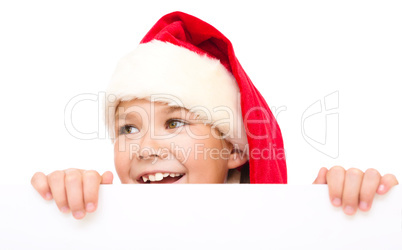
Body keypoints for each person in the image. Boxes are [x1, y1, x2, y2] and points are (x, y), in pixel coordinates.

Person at [31, 11, 398, 220]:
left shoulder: (283, 228)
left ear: (236, 149)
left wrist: (337, 220)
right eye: (128, 127)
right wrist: (62, 213)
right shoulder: (98, 220)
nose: (144, 148)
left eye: (174, 122)